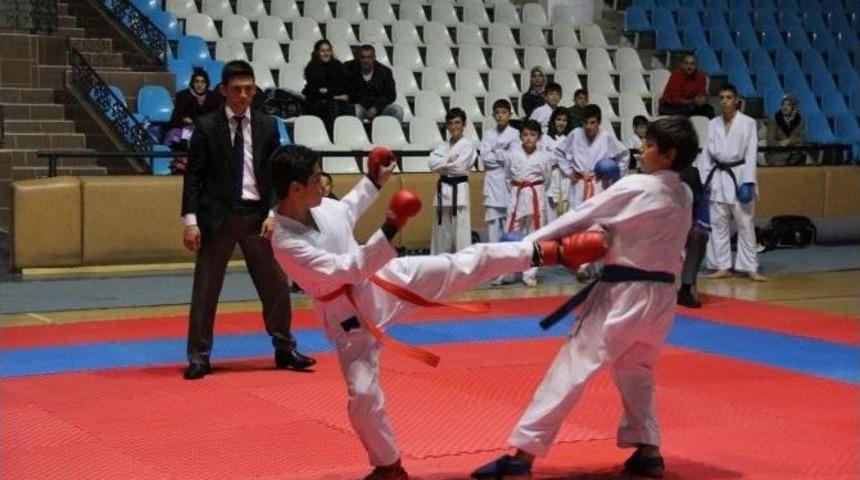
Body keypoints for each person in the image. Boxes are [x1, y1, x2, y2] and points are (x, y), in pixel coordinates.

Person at [269, 144, 608, 480]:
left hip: (384, 280)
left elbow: (346, 211)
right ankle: (389, 465)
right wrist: (390, 225)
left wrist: (373, 180)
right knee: (363, 395)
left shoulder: (320, 207)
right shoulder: (286, 242)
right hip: (348, 317)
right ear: (296, 188)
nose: (323, 183)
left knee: (464, 262)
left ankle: (548, 253)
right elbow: (350, 268)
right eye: (316, 179)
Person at [471, 116, 700, 480]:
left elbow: (581, 215)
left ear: (668, 155)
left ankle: (522, 457)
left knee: (571, 368)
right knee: (635, 370)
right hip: (661, 301)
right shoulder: (685, 193)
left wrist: (526, 246)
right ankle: (649, 451)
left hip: (622, 295)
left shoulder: (638, 185)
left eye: (650, 145)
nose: (643, 149)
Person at [180, 60, 316, 380]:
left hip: (258, 216)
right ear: (223, 91)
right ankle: (199, 356)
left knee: (276, 288)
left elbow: (275, 175)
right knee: (205, 290)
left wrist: (273, 212)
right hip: (218, 217)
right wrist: (190, 220)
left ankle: (285, 348)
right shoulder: (206, 125)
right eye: (237, 90)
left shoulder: (267, 125)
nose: (244, 95)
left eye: (249, 89)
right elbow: (193, 178)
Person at [702, 84, 767, 281]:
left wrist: (748, 182)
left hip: (739, 175)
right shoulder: (713, 123)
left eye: (729, 97)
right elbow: (706, 154)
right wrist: (705, 181)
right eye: (721, 97)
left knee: (745, 223)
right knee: (717, 223)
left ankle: (750, 267)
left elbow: (750, 153)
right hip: (719, 176)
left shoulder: (748, 123)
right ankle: (722, 265)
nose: (725, 101)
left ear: (737, 100)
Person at [503, 119, 552, 287]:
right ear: (520, 136)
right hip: (517, 194)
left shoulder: (544, 156)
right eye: (525, 134)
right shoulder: (512, 154)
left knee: (536, 235)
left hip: (535, 194)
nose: (529, 138)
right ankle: (508, 272)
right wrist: (518, 190)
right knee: (510, 232)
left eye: (532, 134)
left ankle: (530, 274)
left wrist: (534, 189)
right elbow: (508, 176)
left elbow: (547, 179)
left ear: (539, 137)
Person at [556, 104, 630, 211]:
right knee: (576, 217)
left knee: (597, 219)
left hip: (599, 183)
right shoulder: (575, 134)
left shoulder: (606, 136)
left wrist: (613, 177)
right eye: (585, 122)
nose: (588, 126)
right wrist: (569, 172)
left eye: (592, 123)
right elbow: (559, 152)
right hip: (578, 183)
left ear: (599, 122)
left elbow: (624, 154)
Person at [428, 108, 477, 254]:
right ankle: (438, 265)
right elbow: (431, 164)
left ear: (464, 125)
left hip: (459, 190)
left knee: (461, 232)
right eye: (450, 123)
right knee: (441, 233)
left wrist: (441, 164)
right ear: (447, 126)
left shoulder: (467, 145)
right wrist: (448, 161)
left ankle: (462, 266)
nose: (454, 126)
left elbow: (460, 168)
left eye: (457, 123)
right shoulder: (442, 145)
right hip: (443, 191)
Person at [480, 99, 520, 246]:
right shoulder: (488, 134)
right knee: (492, 222)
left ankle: (508, 258)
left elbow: (513, 158)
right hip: (491, 182)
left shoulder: (515, 133)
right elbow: (485, 158)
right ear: (493, 115)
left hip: (507, 182)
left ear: (510, 114)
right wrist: (503, 151)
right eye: (497, 113)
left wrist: (495, 151)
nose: (500, 116)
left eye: (504, 112)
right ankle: (492, 258)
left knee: (508, 221)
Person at [302, 39, 353, 136]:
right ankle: (331, 137)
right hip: (316, 102)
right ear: (317, 52)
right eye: (322, 51)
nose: (326, 53)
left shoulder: (338, 65)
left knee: (350, 107)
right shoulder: (311, 68)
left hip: (333, 100)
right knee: (332, 107)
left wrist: (328, 91)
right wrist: (335, 96)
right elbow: (314, 92)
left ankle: (348, 137)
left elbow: (341, 86)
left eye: (328, 50)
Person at [345, 44, 403, 123]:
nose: (366, 60)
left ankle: (393, 134)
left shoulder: (385, 72)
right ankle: (358, 134)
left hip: (378, 107)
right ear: (359, 58)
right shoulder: (350, 68)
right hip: (359, 105)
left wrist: (376, 107)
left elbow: (391, 94)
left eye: (369, 57)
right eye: (363, 57)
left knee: (397, 111)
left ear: (374, 58)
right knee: (355, 110)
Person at [678, 164, 709, 308]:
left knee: (699, 234)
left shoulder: (690, 172)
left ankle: (686, 287)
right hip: (656, 223)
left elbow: (697, 201)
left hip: (681, 221)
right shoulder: (653, 172)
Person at [658, 52, 715, 118]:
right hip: (669, 106)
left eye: (692, 64)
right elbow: (675, 99)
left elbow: (702, 93)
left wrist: (702, 99)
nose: (689, 67)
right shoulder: (676, 75)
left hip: (689, 105)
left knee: (709, 109)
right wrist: (693, 101)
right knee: (684, 110)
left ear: (696, 65)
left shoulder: (700, 76)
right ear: (681, 64)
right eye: (686, 63)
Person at [542, 108, 572, 223]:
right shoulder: (545, 138)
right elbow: (545, 160)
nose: (561, 123)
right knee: (550, 220)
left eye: (564, 120)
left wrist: (556, 157)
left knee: (565, 220)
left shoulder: (570, 138)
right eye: (558, 119)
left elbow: (571, 160)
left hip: (566, 181)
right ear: (553, 121)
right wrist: (560, 158)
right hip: (550, 181)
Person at [766, 94, 806, 166]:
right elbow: (770, 142)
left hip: (794, 153)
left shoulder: (800, 120)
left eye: (788, 105)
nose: (785, 107)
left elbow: (802, 139)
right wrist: (781, 144)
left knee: (801, 158)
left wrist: (789, 141)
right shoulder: (774, 119)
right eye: (783, 105)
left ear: (794, 107)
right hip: (777, 153)